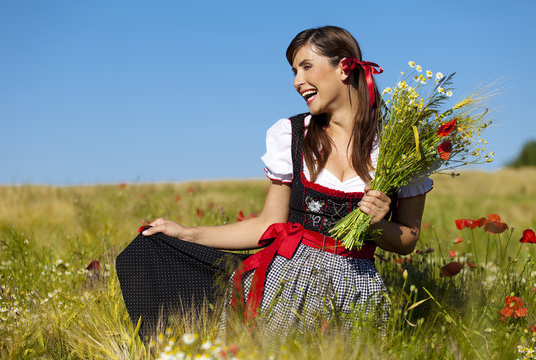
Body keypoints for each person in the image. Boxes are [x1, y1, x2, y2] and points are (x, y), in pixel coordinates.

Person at [116, 25, 431, 339]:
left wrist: (375, 224)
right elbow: (268, 224)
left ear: (344, 67)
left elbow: (407, 240)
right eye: (294, 70)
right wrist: (188, 233)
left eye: (306, 66)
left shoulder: (400, 148)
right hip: (285, 285)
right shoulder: (292, 135)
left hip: (358, 293)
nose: (297, 81)